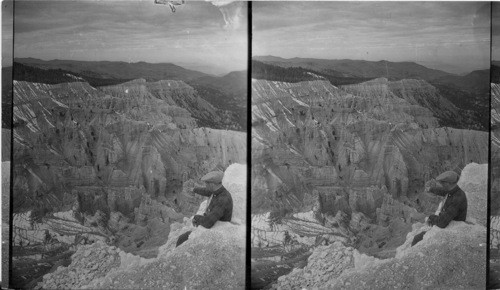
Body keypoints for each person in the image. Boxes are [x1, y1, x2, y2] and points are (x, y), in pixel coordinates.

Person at [176, 170, 233, 247]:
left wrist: (196, 218)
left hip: (216, 230)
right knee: (182, 238)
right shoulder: (218, 190)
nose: (205, 185)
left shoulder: (223, 200)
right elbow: (206, 191)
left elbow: (208, 223)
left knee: (182, 239)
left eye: (207, 184)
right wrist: (194, 189)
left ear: (212, 184)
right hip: (213, 223)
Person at [411, 170, 468, 246]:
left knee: (417, 238)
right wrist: (430, 189)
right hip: (449, 220)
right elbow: (443, 191)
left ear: (448, 183)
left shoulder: (457, 199)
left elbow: (442, 223)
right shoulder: (454, 190)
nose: (441, 184)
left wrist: (431, 217)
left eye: (442, 183)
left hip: (451, 226)